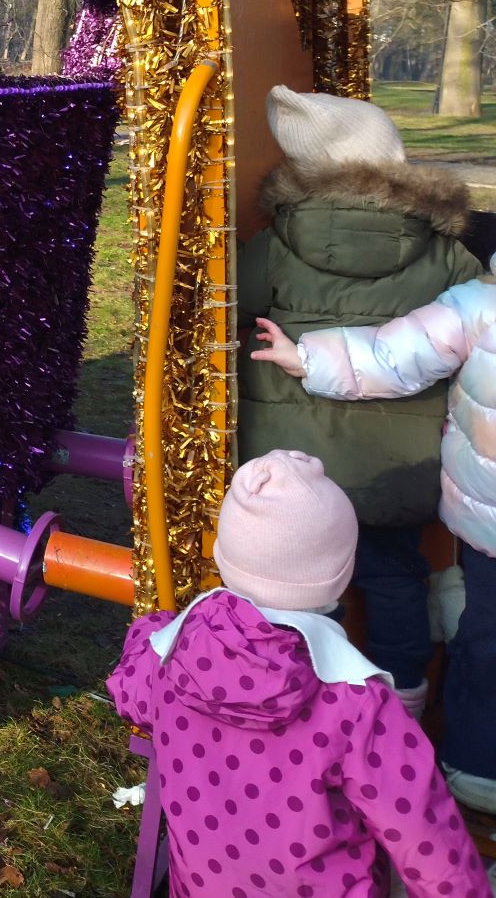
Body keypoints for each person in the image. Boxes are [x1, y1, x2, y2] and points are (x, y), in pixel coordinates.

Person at [108, 450, 486, 897]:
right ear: (341, 575)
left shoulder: (168, 661)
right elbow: (428, 842)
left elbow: (126, 690)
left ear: (224, 557)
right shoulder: (359, 705)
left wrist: (153, 627)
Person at [238, 86, 484, 721]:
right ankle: (401, 701)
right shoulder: (445, 251)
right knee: (396, 577)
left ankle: (299, 705)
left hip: (294, 459)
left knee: (297, 589)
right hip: (399, 460)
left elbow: (228, 308)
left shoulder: (274, 243)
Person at [255, 266, 496, 818]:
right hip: (488, 522)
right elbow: (396, 354)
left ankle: (468, 756)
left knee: (483, 636)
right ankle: (477, 764)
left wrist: (306, 358)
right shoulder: (481, 304)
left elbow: (396, 354)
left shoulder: (479, 303)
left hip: (481, 515)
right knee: (487, 638)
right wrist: (308, 359)